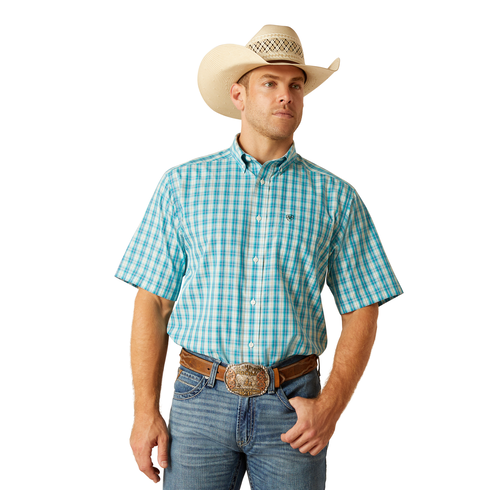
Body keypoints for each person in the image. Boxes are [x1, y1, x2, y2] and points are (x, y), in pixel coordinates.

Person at [115, 25, 403, 490]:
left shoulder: (336, 197)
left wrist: (330, 407)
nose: (286, 96)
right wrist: (144, 410)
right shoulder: (182, 186)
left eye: (296, 85)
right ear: (239, 95)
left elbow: (363, 306)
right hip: (199, 402)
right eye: (270, 83)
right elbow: (153, 302)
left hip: (293, 408)